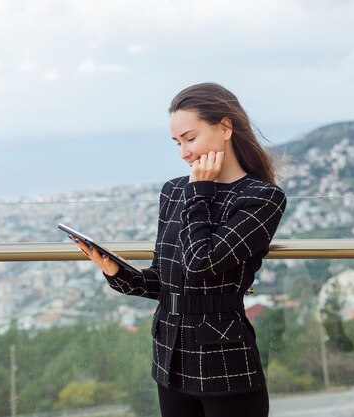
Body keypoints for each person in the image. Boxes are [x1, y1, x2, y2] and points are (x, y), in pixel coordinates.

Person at [72, 82, 286, 417]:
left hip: (224, 367)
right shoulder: (174, 191)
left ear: (226, 127)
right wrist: (116, 272)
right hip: (168, 359)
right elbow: (163, 281)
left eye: (190, 138)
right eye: (177, 142)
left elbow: (201, 262)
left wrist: (201, 191)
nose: (184, 152)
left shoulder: (261, 198)